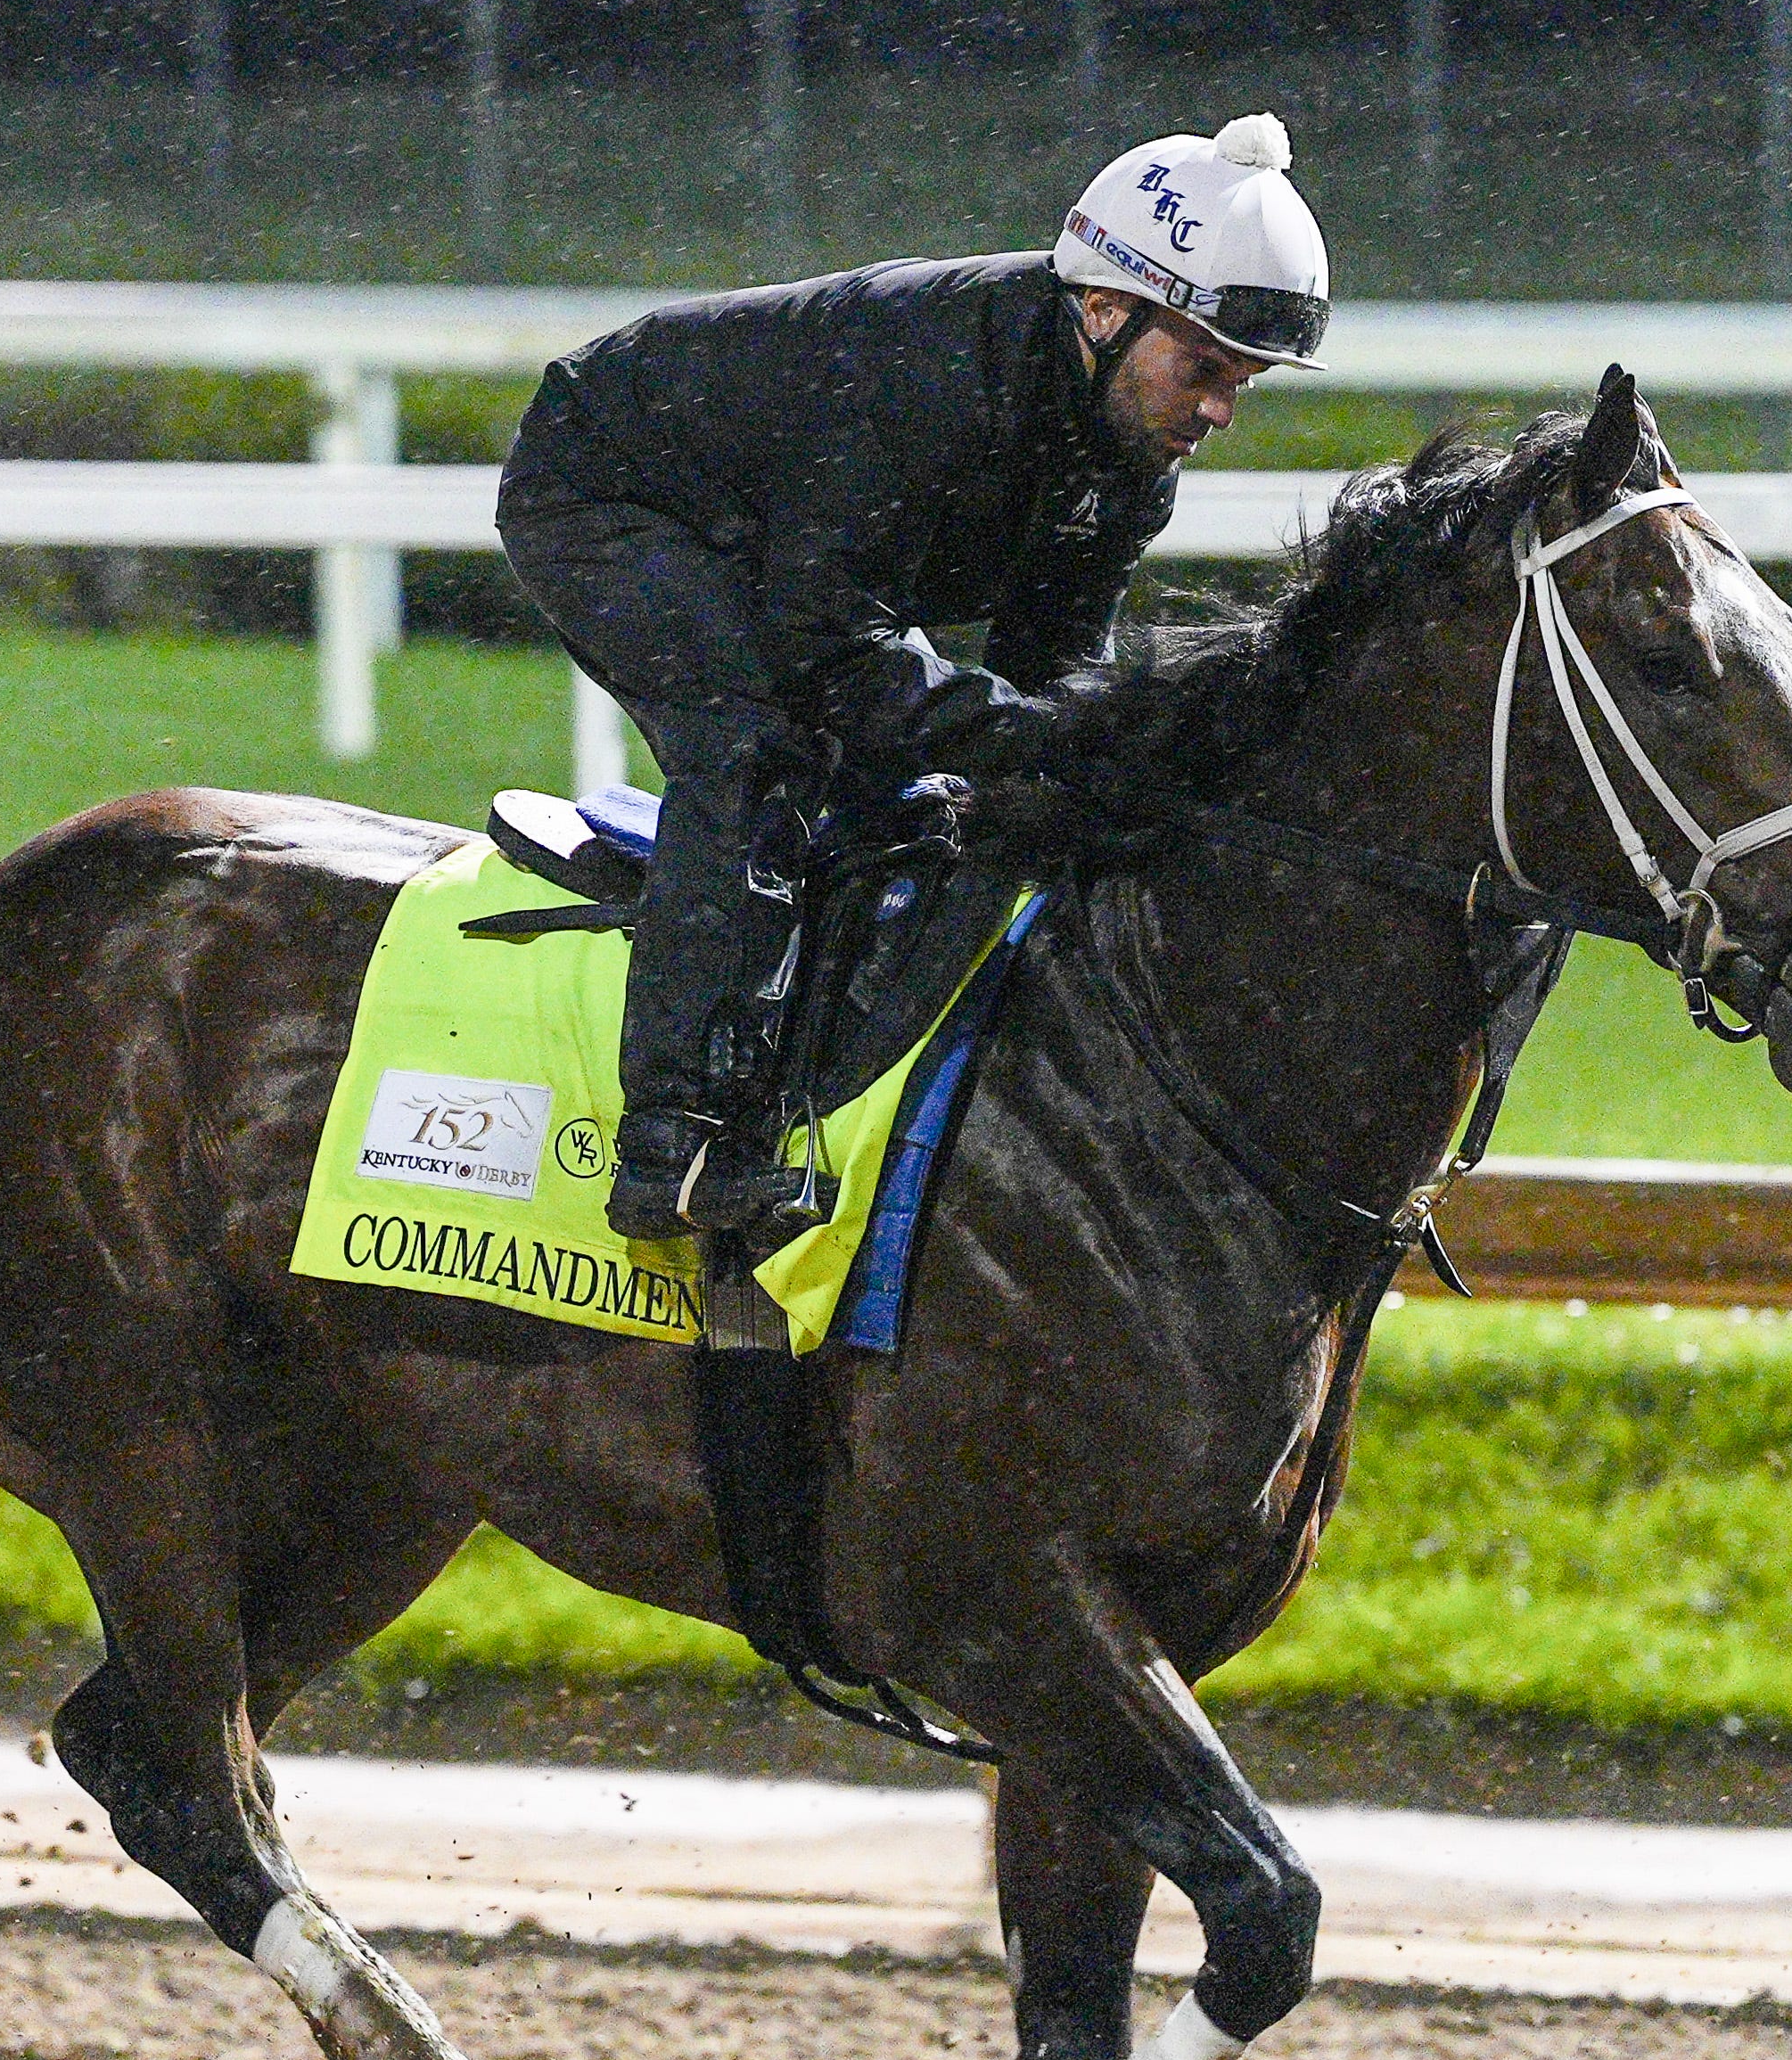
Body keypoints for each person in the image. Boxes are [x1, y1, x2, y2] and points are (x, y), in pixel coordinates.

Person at [497, 112, 1333, 1242]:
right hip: (610, 487)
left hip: (773, 533)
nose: (1220, 410)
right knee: (754, 749)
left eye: (1245, 380)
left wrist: (1089, 765)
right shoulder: (926, 377)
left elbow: (1052, 684)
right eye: (1204, 368)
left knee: (931, 791)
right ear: (1103, 307)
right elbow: (834, 656)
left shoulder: (1128, 456)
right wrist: (1041, 739)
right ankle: (672, 1143)